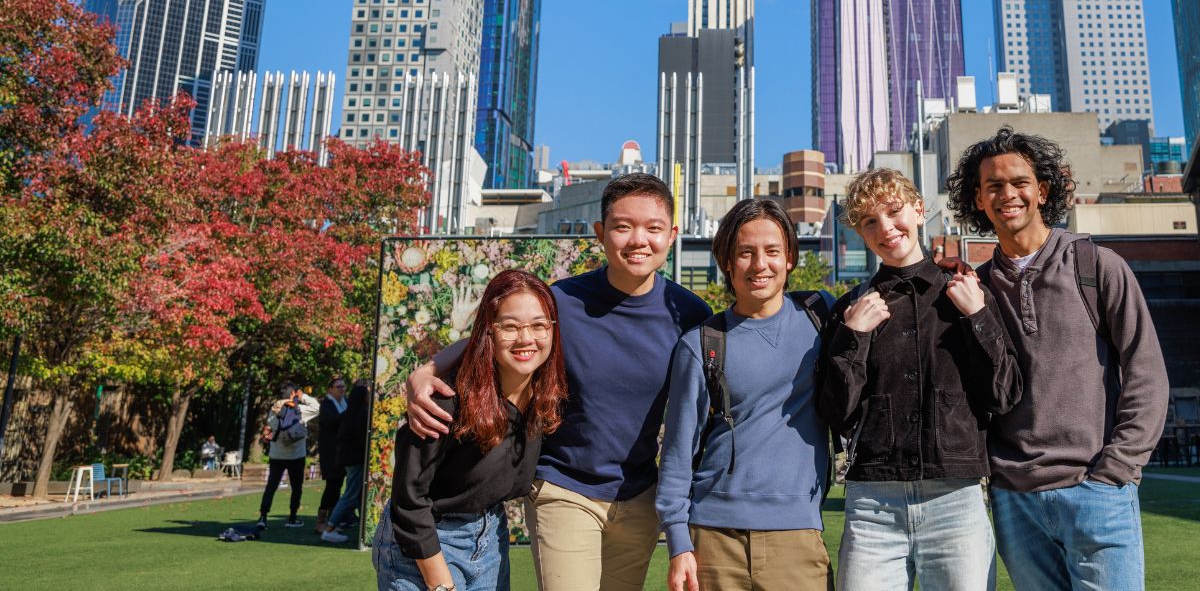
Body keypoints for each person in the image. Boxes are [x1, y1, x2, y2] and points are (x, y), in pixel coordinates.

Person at [405, 173, 711, 590]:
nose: (639, 240)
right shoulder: (562, 302)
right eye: (623, 226)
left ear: (672, 235)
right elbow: (496, 334)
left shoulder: (689, 313)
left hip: (639, 497)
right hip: (564, 488)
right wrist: (425, 372)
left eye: (653, 228)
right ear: (601, 233)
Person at [945, 127, 1169, 590]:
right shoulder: (976, 290)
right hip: (1015, 501)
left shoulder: (1097, 266)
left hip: (1096, 490)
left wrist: (1117, 470)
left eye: (1019, 182)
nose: (1008, 194)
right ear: (979, 201)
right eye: (994, 187)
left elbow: (1145, 372)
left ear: (1042, 190)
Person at [818, 168, 1022, 590]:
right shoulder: (850, 310)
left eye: (894, 212)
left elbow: (1003, 394)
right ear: (860, 232)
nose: (886, 228)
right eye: (870, 222)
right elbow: (838, 414)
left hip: (956, 498)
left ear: (919, 210)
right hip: (872, 504)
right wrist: (853, 339)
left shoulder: (968, 292)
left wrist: (978, 318)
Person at [657, 198, 833, 591]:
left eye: (772, 251)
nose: (759, 265)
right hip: (713, 539)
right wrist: (677, 542)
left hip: (798, 534)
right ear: (727, 262)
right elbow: (678, 450)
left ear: (789, 258)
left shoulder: (823, 319)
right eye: (745, 253)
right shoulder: (701, 344)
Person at [372, 269, 567, 591]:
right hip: (426, 539)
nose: (526, 338)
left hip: (489, 532)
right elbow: (409, 500)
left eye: (538, 325)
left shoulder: (547, 395)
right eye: (510, 326)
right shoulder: (443, 404)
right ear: (488, 331)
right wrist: (440, 583)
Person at [257, 382, 319, 529]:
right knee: (296, 487)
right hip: (296, 455)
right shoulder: (300, 409)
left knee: (271, 486)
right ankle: (292, 517)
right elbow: (318, 407)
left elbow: (270, 428)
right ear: (293, 394)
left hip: (277, 455)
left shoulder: (274, 409)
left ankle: (263, 517)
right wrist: (303, 396)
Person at [321, 378, 370, 544]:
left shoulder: (349, 414)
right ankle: (330, 527)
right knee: (349, 495)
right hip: (355, 460)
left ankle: (338, 523)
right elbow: (362, 440)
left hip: (350, 460)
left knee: (352, 494)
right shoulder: (358, 416)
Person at [316, 376, 348, 533]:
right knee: (331, 486)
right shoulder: (327, 404)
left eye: (343, 387)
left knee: (337, 487)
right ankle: (321, 520)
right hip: (330, 454)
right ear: (330, 389)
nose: (342, 389)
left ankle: (333, 520)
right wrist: (349, 413)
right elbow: (332, 422)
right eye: (338, 387)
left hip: (341, 453)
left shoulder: (344, 402)